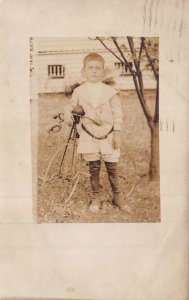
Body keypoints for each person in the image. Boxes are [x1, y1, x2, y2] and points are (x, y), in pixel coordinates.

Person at [63, 52, 129, 213]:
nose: (94, 71)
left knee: (112, 165)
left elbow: (117, 113)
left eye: (98, 68)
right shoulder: (79, 91)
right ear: (83, 71)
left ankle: (117, 196)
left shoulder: (109, 91)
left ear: (103, 71)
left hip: (108, 133)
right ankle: (96, 197)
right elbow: (72, 106)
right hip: (89, 133)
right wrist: (67, 111)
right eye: (90, 68)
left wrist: (117, 133)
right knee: (93, 166)